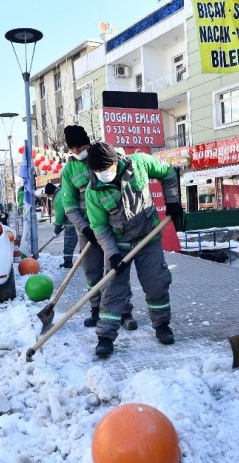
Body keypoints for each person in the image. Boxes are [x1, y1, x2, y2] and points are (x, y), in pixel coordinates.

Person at [85, 142, 183, 357]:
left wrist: (173, 201)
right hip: (119, 244)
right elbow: (99, 227)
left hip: (147, 238)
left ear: (115, 162)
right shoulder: (93, 191)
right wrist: (112, 254)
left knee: (156, 283)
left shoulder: (138, 163)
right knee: (112, 290)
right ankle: (105, 337)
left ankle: (162, 325)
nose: (102, 174)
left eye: (105, 169)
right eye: (97, 171)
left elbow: (168, 173)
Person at [60, 125, 135, 331]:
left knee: (117, 268)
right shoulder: (69, 171)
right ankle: (96, 309)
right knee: (92, 272)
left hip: (113, 226)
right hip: (88, 232)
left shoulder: (101, 156)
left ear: (87, 142)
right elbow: (70, 207)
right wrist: (85, 229)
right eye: (72, 149)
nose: (77, 151)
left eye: (80, 146)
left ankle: (124, 311)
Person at [45, 182, 77, 268]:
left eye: (48, 196)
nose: (49, 198)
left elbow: (59, 216)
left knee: (68, 242)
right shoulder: (63, 191)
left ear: (50, 193)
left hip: (71, 222)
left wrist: (57, 229)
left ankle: (67, 262)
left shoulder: (58, 197)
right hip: (77, 218)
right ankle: (85, 258)